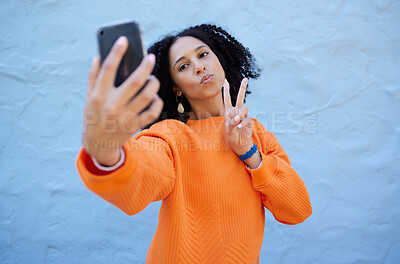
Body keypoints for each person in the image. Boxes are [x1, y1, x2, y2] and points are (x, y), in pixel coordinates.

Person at [76, 24, 312, 264]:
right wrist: (106, 152)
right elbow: (143, 173)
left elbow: (297, 210)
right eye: (184, 66)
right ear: (176, 87)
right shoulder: (171, 134)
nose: (199, 67)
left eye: (202, 54)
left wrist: (248, 152)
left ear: (219, 60)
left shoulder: (257, 135)